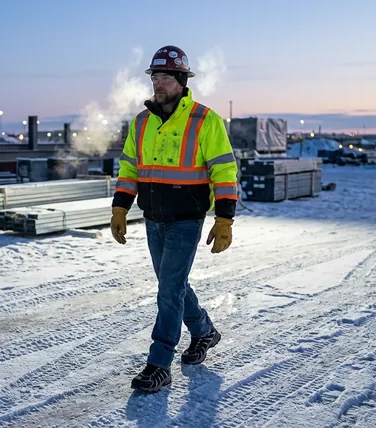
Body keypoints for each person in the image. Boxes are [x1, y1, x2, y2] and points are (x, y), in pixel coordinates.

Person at [110, 45, 239, 393]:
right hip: (153, 218)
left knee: (168, 291)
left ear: (182, 81)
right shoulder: (141, 122)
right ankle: (204, 331)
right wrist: (120, 207)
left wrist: (224, 218)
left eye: (166, 77)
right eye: (155, 77)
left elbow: (224, 170)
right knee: (174, 286)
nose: (159, 84)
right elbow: (129, 168)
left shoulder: (204, 120)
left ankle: (159, 363)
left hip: (186, 219)